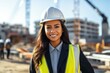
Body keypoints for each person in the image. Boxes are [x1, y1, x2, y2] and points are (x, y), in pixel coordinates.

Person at [30, 7, 94, 73]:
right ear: (44, 30)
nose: (52, 31)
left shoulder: (75, 51)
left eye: (56, 26)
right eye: (48, 27)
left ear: (62, 29)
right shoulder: (37, 54)